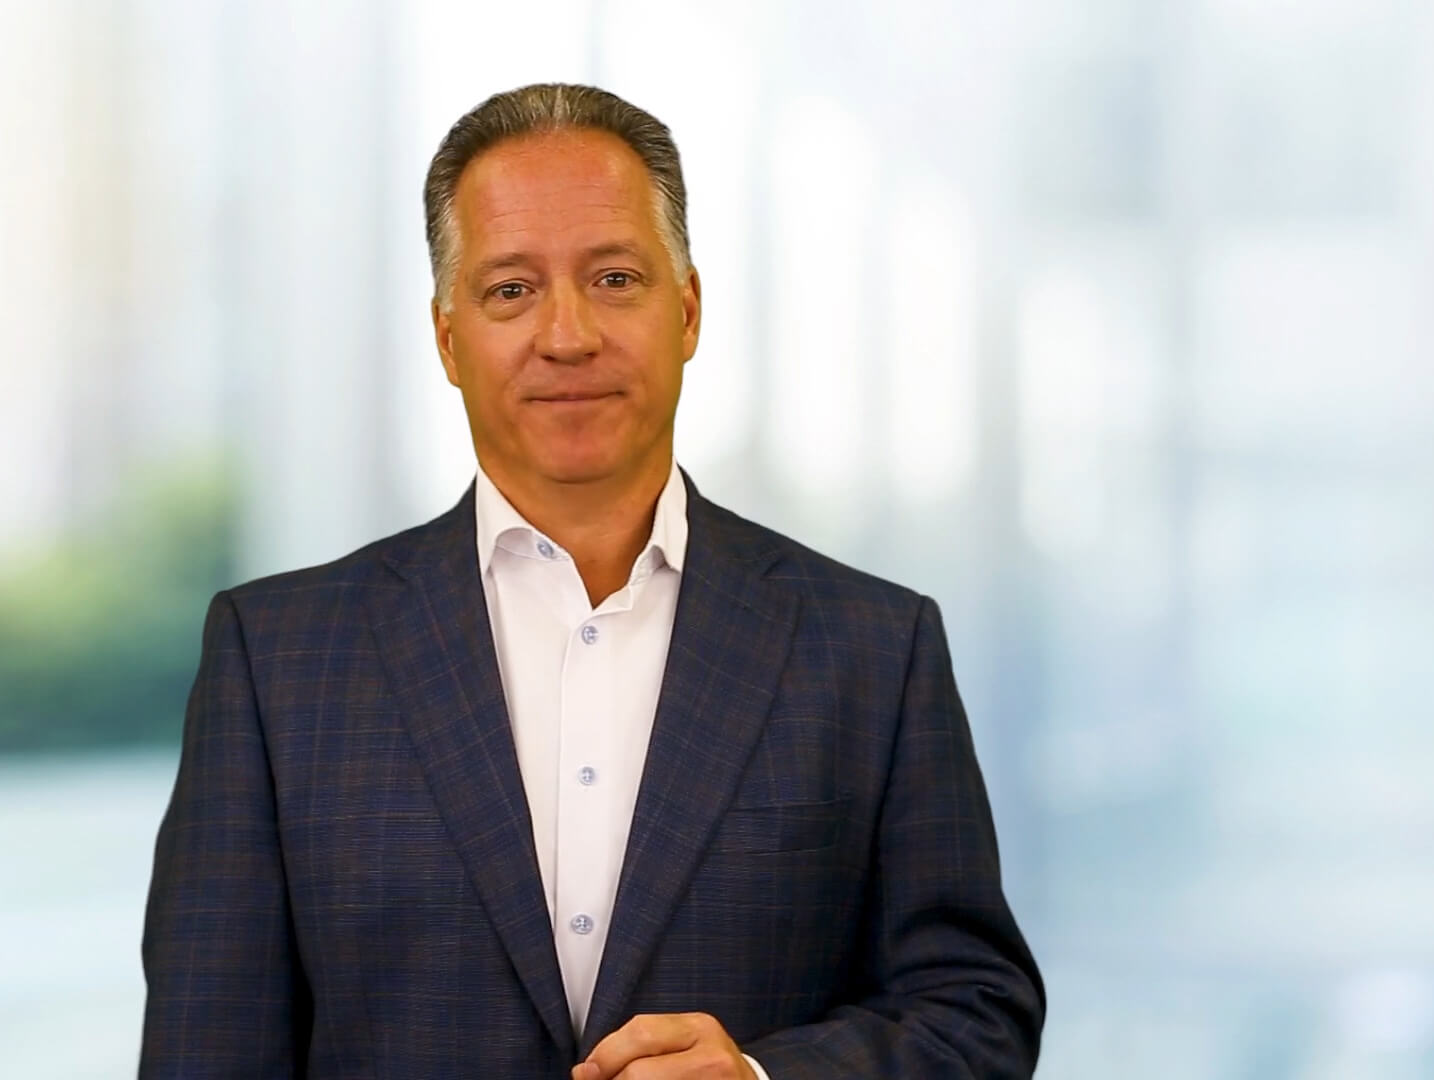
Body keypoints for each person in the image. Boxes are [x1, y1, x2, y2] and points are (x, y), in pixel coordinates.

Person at [140, 82, 1044, 1079]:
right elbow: (202, 1055)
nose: (567, 335)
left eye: (614, 279)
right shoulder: (277, 662)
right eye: (511, 290)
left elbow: (976, 1014)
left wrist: (765, 1078)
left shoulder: (874, 649)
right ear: (448, 338)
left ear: (688, 309)